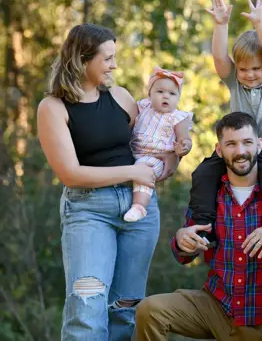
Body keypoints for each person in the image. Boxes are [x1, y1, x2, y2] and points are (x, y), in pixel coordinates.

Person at [37, 24, 187, 340]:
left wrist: (174, 155)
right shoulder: (53, 108)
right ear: (81, 59)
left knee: (125, 311)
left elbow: (150, 146)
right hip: (88, 209)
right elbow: (70, 173)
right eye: (107, 58)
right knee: (87, 309)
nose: (114, 66)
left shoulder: (121, 97)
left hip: (140, 211)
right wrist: (132, 173)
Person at [135, 112, 262, 341]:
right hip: (214, 305)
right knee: (150, 310)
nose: (240, 151)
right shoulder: (209, 195)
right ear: (219, 150)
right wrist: (181, 239)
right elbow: (182, 255)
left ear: (259, 145)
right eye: (231, 144)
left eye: (247, 142)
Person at [187, 0, 262, 258]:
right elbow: (220, 57)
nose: (250, 74)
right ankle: (204, 229)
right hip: (235, 150)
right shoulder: (234, 82)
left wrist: (260, 24)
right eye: (243, 69)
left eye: (256, 68)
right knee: (203, 174)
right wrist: (221, 24)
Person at [124, 66, 193, 222]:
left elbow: (185, 138)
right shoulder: (143, 106)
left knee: (143, 170)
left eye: (172, 93)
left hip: (156, 158)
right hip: (135, 151)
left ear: (178, 98)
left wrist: (184, 147)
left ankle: (139, 206)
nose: (166, 97)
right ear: (149, 94)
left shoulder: (178, 118)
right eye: (160, 92)